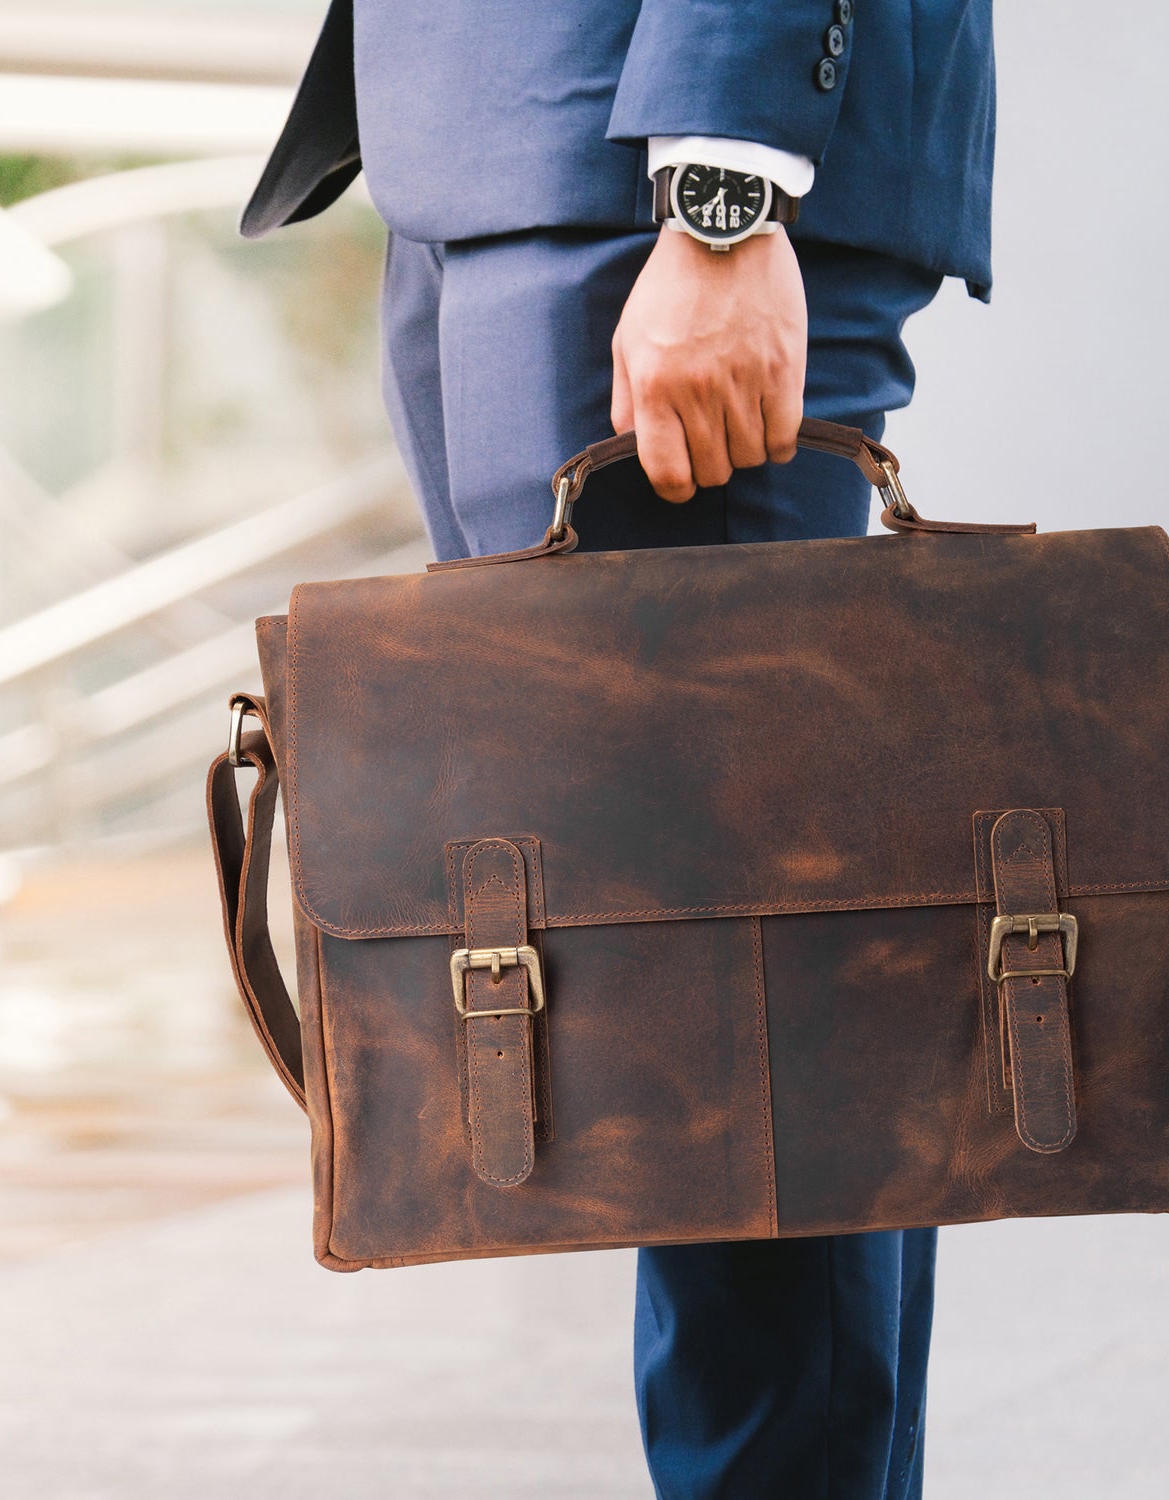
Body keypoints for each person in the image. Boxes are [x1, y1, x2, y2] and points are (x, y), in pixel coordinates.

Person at [242, 3, 996, 1494]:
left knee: (750, 1026)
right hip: (484, 151)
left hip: (657, 163)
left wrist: (729, 186)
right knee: (666, 1027)